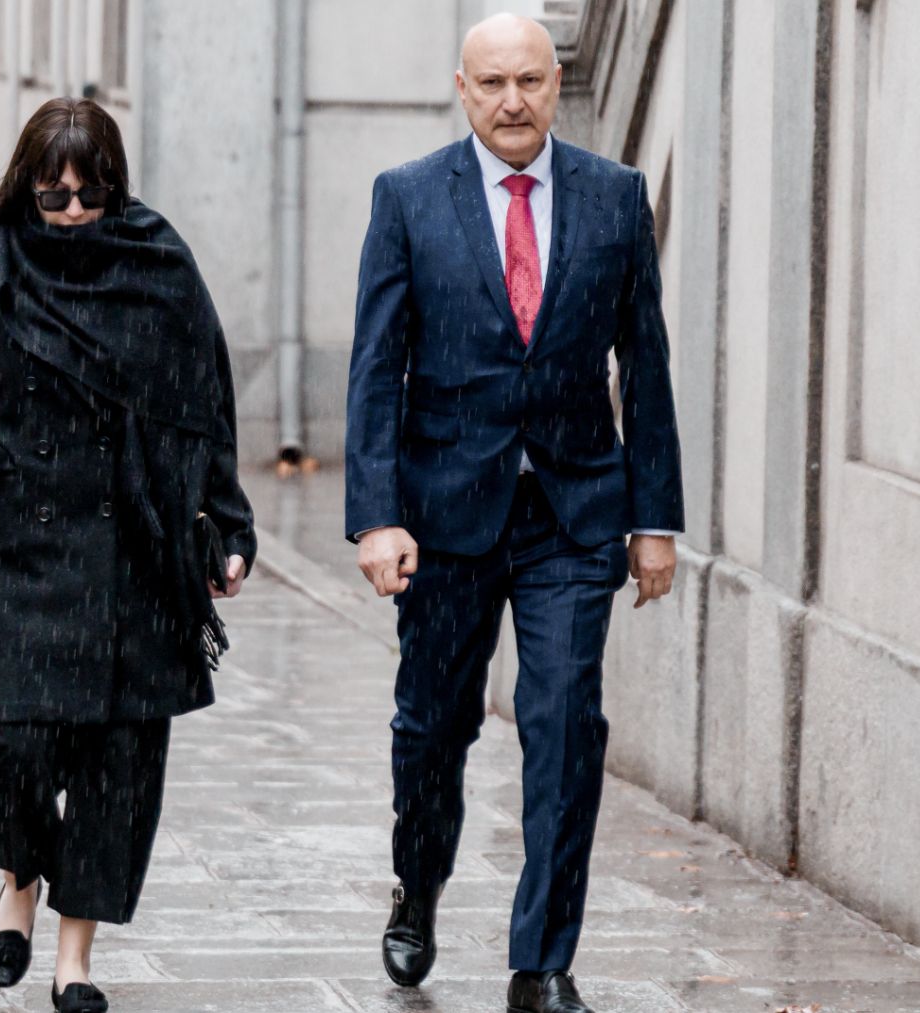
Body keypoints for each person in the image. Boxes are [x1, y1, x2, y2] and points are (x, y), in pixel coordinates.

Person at [345, 15, 684, 1013]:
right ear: (462, 88)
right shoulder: (409, 198)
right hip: (444, 514)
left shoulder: (615, 198)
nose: (512, 101)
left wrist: (653, 514)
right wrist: (377, 514)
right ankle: (420, 880)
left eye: (529, 80)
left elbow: (648, 366)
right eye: (491, 82)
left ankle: (542, 962)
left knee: (566, 722)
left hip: (575, 509)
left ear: (555, 80)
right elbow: (375, 369)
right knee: (433, 727)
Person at [0, 97, 256, 1013]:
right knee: (20, 746)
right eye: (52, 196)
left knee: (117, 764)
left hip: (139, 546)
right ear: (25, 188)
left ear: (115, 186)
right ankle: (20, 876)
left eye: (88, 195)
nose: (70, 213)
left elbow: (204, 404)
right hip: (22, 547)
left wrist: (229, 525)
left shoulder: (161, 267)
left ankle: (75, 958)